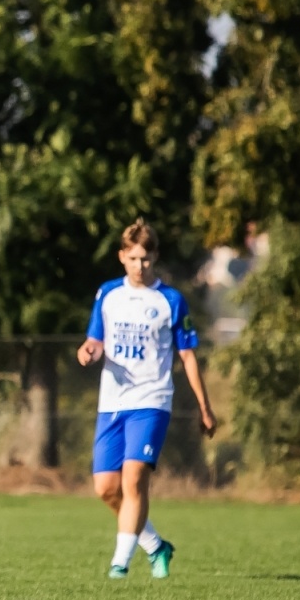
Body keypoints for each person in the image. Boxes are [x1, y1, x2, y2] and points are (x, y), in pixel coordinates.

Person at [77, 219, 217, 579]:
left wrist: (204, 407)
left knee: (133, 480)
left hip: (151, 400)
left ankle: (119, 565)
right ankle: (156, 545)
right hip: (112, 402)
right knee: (106, 489)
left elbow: (187, 355)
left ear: (155, 258)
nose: (141, 265)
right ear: (122, 257)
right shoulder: (107, 294)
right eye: (134, 258)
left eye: (147, 259)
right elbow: (96, 340)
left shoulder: (170, 300)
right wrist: (89, 351)